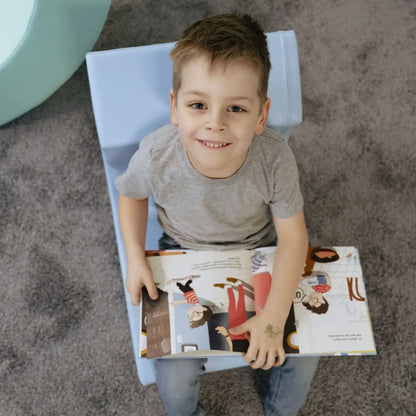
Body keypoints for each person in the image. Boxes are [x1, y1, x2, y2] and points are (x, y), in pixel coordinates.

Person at [115, 13, 319, 416]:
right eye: (198, 105)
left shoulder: (276, 160)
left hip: (261, 249)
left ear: (261, 115)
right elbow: (131, 195)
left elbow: (294, 238)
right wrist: (135, 255)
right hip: (183, 251)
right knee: (172, 375)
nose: (214, 124)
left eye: (236, 109)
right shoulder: (157, 154)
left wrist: (275, 316)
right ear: (176, 108)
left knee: (306, 347)